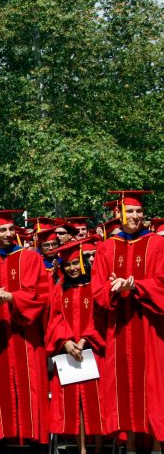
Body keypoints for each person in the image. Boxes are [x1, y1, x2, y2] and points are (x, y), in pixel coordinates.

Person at [92, 190, 164, 452]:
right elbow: (97, 291)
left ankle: (157, 447)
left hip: (151, 329)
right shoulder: (107, 248)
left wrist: (137, 287)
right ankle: (130, 446)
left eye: (139, 211)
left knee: (155, 388)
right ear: (117, 214)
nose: (135, 216)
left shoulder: (158, 244)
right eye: (130, 211)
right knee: (126, 390)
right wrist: (114, 289)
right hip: (120, 330)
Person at [0, 210, 49, 449]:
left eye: (10, 229)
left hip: (26, 339)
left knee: (30, 393)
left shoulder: (31, 258)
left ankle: (33, 442)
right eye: (1, 230)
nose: (7, 234)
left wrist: (12, 297)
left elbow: (40, 296)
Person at [46, 240, 105, 454]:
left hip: (93, 351)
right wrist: (67, 340)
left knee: (96, 401)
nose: (72, 268)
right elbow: (54, 318)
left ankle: (98, 447)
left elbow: (98, 316)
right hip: (68, 353)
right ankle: (81, 449)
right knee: (75, 403)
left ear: (83, 262)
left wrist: (84, 339)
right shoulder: (59, 289)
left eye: (75, 263)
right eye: (68, 265)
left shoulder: (94, 286)